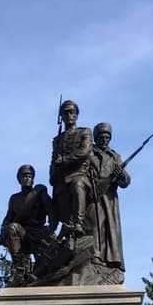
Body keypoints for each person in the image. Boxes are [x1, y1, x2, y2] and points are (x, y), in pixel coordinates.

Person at [0, 165, 57, 285]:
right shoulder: (14, 198)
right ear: (19, 179)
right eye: (24, 176)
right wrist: (1, 233)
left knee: (43, 269)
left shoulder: (40, 193)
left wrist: (50, 230)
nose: (27, 178)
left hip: (39, 234)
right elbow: (8, 218)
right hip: (22, 235)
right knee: (12, 227)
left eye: (30, 176)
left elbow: (52, 213)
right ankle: (18, 271)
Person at [49, 100, 93, 247]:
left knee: (77, 185)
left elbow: (84, 152)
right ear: (61, 116)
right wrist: (52, 175)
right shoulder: (57, 139)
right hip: (61, 179)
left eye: (71, 112)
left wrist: (65, 160)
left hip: (78, 175)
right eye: (65, 112)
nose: (69, 115)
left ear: (76, 115)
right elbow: (53, 159)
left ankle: (78, 223)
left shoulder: (84, 132)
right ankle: (65, 236)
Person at [88, 122, 130, 275]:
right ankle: (94, 257)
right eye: (101, 136)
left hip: (110, 199)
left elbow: (125, 182)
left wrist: (120, 174)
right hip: (93, 196)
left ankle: (110, 261)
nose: (104, 139)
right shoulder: (89, 153)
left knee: (108, 230)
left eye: (107, 137)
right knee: (94, 226)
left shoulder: (114, 156)